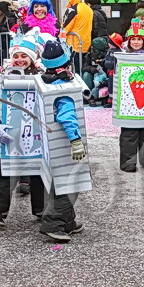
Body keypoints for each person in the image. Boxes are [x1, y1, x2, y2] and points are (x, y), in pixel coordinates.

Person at [0, 34, 47, 226]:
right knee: (7, 173)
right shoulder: (3, 79)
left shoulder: (41, 77)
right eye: (16, 56)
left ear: (32, 58)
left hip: (35, 135)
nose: (20, 60)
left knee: (38, 171)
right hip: (10, 134)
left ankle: (41, 208)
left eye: (24, 56)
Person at [37, 40, 87, 242]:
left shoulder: (43, 80)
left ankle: (67, 221)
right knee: (70, 183)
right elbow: (67, 116)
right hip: (64, 140)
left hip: (48, 142)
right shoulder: (63, 87)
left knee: (56, 180)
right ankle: (53, 221)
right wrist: (75, 139)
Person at [118, 23, 144, 172]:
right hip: (128, 101)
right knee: (129, 133)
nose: (136, 42)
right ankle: (128, 162)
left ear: (143, 41)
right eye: (133, 39)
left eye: (139, 39)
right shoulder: (122, 57)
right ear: (129, 41)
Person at [62, 0, 93, 71]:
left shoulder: (72, 10)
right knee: (82, 69)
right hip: (85, 45)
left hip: (73, 46)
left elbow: (65, 28)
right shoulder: (88, 9)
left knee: (74, 71)